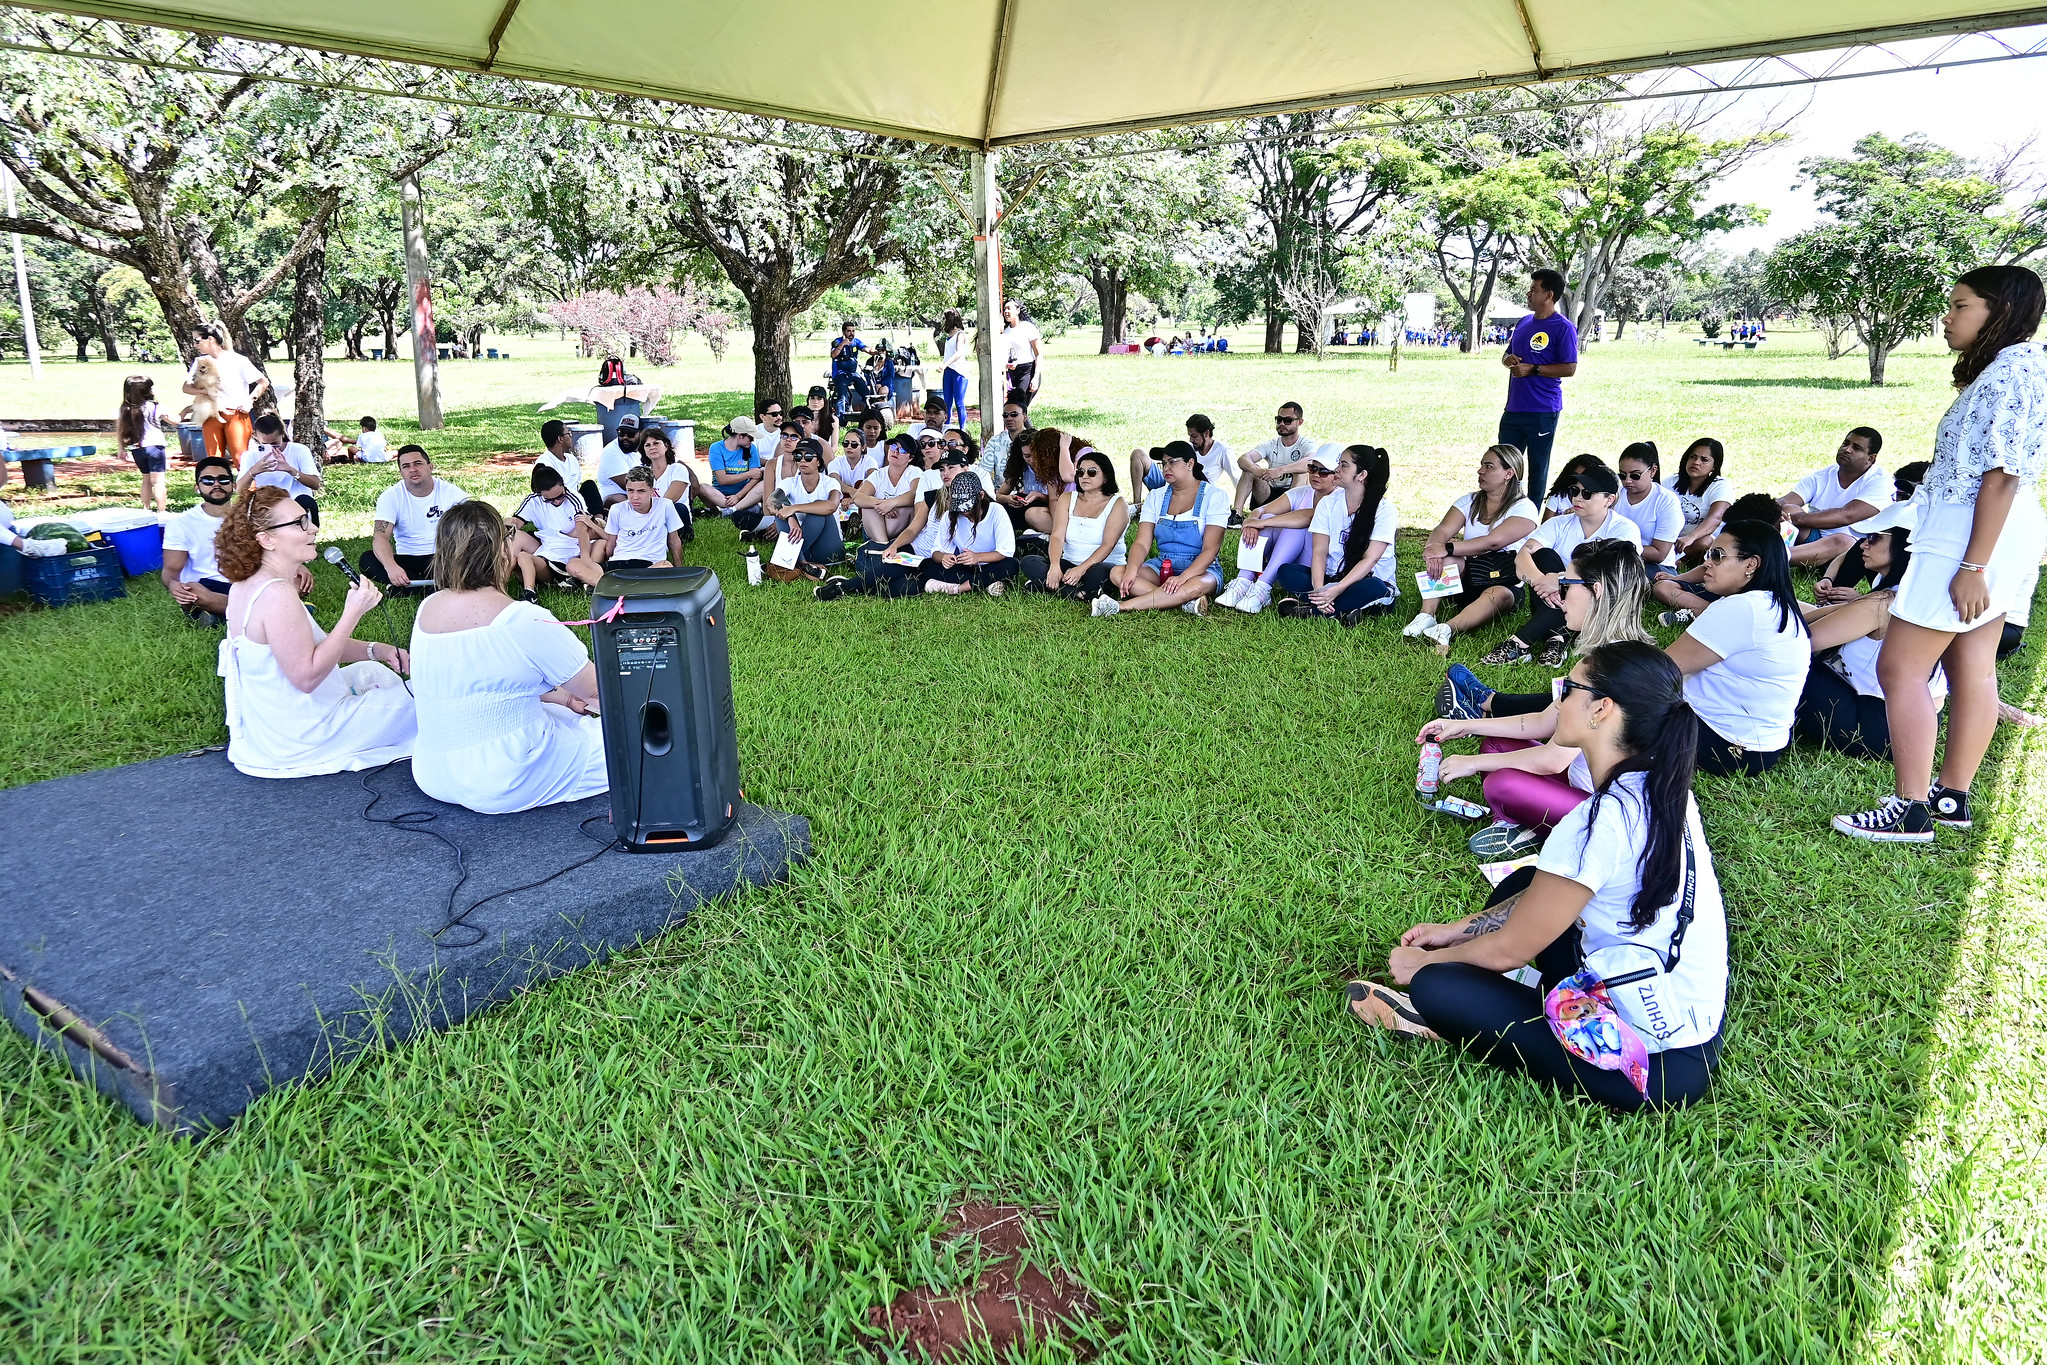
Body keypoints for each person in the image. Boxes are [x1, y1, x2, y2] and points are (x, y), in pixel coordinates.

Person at [1359, 643, 1726, 1115]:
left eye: (1568, 689)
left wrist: (1428, 963)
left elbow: (1507, 949)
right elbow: (1540, 896)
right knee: (1532, 877)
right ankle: (1517, 990)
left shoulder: (1598, 823)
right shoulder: (1663, 787)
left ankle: (1447, 1014)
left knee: (1438, 986)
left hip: (1655, 1066)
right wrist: (1458, 929)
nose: (1557, 701)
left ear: (1601, 710)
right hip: (1678, 1001)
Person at [1837, 265, 2047, 842]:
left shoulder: (2011, 371)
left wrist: (1972, 564)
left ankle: (1909, 807)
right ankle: (1951, 796)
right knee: (1971, 667)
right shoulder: (2020, 368)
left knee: (1899, 666)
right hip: (1994, 530)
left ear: (1999, 310)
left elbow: (2001, 475)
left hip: (1970, 535)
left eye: (1960, 306)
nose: (1947, 318)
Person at [1421, 539, 1653, 859]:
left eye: (1566, 584)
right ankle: (1529, 822)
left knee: (1500, 784)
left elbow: (1551, 761)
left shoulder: (1607, 670)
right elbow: (1545, 720)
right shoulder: (1614, 652)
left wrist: (1472, 764)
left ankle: (1534, 828)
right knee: (1494, 744)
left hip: (1609, 812)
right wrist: (1465, 724)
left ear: (1596, 591)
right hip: (1582, 778)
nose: (1556, 595)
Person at [407, 500, 606, 815]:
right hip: (505, 776)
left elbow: (486, 676)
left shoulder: (426, 609)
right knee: (640, 742)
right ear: (502, 552)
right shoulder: (522, 619)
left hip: (431, 771)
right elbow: (597, 692)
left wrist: (565, 698)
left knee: (568, 715)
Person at [214, 486, 415, 778]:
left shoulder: (249, 584)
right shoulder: (276, 594)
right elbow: (306, 677)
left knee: (374, 672)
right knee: (427, 699)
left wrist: (378, 650)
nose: (314, 528)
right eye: (300, 523)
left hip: (280, 726)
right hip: (304, 735)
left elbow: (307, 646)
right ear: (266, 539)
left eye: (307, 518)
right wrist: (352, 613)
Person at [1665, 520, 1810, 777]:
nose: (1707, 562)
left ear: (1751, 564)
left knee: (1618, 703)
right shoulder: (1774, 604)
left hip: (1724, 744)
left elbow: (1663, 668)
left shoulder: (1743, 608)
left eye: (1718, 556)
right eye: (1709, 554)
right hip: (1758, 748)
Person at [1797, 528, 1942, 760]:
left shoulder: (1881, 603)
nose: (1863, 545)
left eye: (1874, 538)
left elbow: (1800, 644)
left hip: (1874, 725)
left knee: (1786, 664)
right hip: (1918, 725)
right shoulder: (1920, 597)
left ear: (1904, 547)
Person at [1486, 464, 1640, 666]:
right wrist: (1542, 580)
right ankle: (1557, 638)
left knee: (1585, 583)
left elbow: (1612, 578)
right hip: (1556, 598)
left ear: (1609, 500)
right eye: (1574, 491)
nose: (1577, 497)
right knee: (1543, 556)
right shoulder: (1558, 524)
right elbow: (1522, 557)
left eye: (1587, 493)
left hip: (1599, 602)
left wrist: (1560, 580)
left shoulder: (1624, 530)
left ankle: (1522, 642)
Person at [1406, 445, 1541, 653]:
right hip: (1469, 575)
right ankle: (1426, 615)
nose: (1480, 471)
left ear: (1509, 473)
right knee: (1446, 561)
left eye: (1489, 466)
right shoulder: (1469, 500)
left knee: (1498, 594)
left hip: (1505, 580)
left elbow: (1494, 542)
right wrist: (1434, 550)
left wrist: (1447, 548)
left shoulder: (1524, 507)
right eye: (1481, 465)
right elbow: (1442, 529)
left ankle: (1447, 629)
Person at [162, 455, 307, 627]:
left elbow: (270, 549)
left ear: (234, 485)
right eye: (208, 480)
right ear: (197, 487)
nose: (216, 484)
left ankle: (222, 613)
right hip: (209, 587)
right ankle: (274, 611)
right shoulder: (181, 523)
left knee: (299, 581)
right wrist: (173, 585)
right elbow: (171, 569)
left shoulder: (250, 516)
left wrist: (297, 565)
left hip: (250, 582)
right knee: (192, 591)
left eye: (223, 479)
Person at [1093, 441, 1227, 617]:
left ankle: (1120, 606)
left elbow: (1211, 549)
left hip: (1201, 569)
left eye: (1172, 462)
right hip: (1163, 565)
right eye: (1163, 464)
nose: (1166, 468)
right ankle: (1183, 601)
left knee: (1196, 586)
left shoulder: (1215, 496)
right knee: (1118, 572)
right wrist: (1132, 569)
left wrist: (1183, 577)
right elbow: (1141, 542)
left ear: (1190, 464)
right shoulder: (1156, 496)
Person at [1274, 445, 1399, 624]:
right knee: (1287, 572)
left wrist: (1339, 589)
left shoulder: (1384, 510)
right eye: (1338, 464)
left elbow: (1369, 560)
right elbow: (1319, 552)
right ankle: (1344, 609)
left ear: (1361, 475)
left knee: (1374, 588)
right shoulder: (1328, 503)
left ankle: (1310, 610)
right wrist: (1320, 590)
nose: (1337, 469)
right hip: (1331, 578)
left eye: (1344, 465)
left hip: (1366, 580)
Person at [1216, 448, 1338, 614]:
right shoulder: (1302, 493)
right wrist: (1253, 521)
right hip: (1290, 558)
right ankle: (1244, 579)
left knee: (1288, 525)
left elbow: (1309, 516)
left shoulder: (1339, 498)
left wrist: (1262, 522)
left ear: (1337, 475)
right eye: (1313, 469)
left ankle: (1264, 586)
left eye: (1324, 472)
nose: (1316, 474)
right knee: (1267, 518)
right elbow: (1261, 510)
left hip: (1316, 565)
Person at [1497, 269, 1580, 499]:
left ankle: (1531, 520)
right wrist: (1509, 361)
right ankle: (1503, 514)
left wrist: (1533, 369)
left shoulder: (1563, 327)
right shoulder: (1524, 322)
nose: (1528, 293)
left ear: (1548, 295)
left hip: (1542, 410)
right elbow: (1506, 355)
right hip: (1514, 408)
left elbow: (1570, 368)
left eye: (1534, 289)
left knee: (1537, 468)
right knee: (1504, 465)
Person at [1020, 448, 1129, 602]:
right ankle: (1077, 593)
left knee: (1100, 574)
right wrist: (1055, 565)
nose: (1084, 476)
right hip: (1069, 563)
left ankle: (1047, 587)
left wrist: (1080, 570)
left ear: (1106, 476)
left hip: (1101, 565)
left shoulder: (1117, 503)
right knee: (1029, 562)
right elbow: (1057, 536)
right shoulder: (1067, 498)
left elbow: (1108, 545)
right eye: (1080, 472)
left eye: (1091, 472)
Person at [1780, 427, 1889, 567]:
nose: (1847, 449)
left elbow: (1846, 516)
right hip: (1813, 539)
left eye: (1856, 448)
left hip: (1851, 551)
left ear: (1870, 459)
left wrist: (1795, 519)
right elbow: (1785, 501)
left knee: (1842, 540)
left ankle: (1773, 559)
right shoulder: (1822, 476)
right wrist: (1766, 509)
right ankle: (1773, 553)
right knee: (1788, 508)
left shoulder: (1881, 482)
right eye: (1846, 443)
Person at [362, 445, 467, 590]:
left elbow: (475, 522)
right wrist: (391, 567)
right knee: (367, 560)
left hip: (445, 558)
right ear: (401, 472)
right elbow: (380, 537)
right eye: (406, 466)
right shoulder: (391, 496)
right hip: (409, 560)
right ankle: (433, 588)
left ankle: (411, 588)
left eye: (418, 463)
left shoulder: (451, 492)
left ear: (430, 466)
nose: (412, 469)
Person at [510, 465, 606, 594]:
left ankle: (582, 578)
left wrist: (585, 558)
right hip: (548, 543)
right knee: (514, 537)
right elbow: (516, 523)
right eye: (550, 500)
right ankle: (501, 575)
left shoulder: (573, 498)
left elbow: (582, 526)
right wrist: (508, 523)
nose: (557, 502)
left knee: (591, 550)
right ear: (539, 493)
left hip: (572, 547)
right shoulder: (533, 501)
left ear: (563, 484)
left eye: (560, 496)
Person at [922, 469, 1018, 595]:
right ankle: (985, 584)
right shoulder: (949, 516)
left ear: (981, 495)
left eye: (967, 507)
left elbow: (1005, 551)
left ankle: (959, 588)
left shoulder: (996, 511)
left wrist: (978, 557)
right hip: (964, 567)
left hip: (991, 564)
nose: (964, 512)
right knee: (926, 565)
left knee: (1011, 565)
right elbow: (936, 551)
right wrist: (944, 558)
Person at [183, 322, 268, 463]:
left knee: (240, 457)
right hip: (211, 413)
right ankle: (217, 484)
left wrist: (250, 400)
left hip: (236, 413)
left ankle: (250, 486)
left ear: (210, 339)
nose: (195, 345)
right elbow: (186, 387)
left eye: (197, 340)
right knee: (213, 459)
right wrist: (205, 391)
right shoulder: (200, 361)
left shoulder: (238, 360)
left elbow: (263, 382)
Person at [1231, 401, 1322, 518]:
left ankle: (1291, 516)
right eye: (1279, 420)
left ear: (1300, 422)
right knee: (1249, 470)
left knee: (1302, 473)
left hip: (1293, 494)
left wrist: (1282, 470)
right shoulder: (1271, 444)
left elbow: (1310, 462)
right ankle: (1236, 515)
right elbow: (1243, 459)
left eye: (1287, 420)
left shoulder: (1307, 444)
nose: (1282, 423)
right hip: (1268, 493)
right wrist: (1255, 469)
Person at [767, 438, 843, 577]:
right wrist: (790, 517)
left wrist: (795, 508)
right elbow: (771, 500)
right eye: (798, 456)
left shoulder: (830, 483)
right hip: (803, 546)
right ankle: (803, 564)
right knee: (781, 509)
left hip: (828, 547)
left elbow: (831, 505)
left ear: (819, 461)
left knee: (817, 510)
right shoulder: (789, 482)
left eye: (808, 457)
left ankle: (786, 559)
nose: (802, 460)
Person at [233, 413, 324, 525]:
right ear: (256, 436)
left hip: (297, 503)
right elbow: (239, 490)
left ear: (282, 434)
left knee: (305, 503)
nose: (271, 448)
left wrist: (291, 470)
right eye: (265, 444)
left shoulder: (299, 450)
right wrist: (253, 471)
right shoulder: (250, 456)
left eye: (275, 443)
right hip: (269, 506)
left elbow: (315, 484)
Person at [847, 433, 926, 547]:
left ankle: (882, 548)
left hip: (900, 527)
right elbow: (858, 497)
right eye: (893, 447)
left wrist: (891, 503)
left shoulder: (914, 472)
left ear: (911, 458)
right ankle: (883, 546)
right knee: (868, 507)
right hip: (874, 528)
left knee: (906, 507)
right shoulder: (879, 474)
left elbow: (915, 494)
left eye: (902, 450)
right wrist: (879, 504)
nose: (895, 452)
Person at [602, 466, 686, 571]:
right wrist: (607, 563)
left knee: (665, 565)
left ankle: (610, 580)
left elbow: (674, 540)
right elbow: (611, 544)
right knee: (576, 565)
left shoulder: (665, 506)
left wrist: (679, 570)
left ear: (652, 491)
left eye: (641, 491)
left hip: (650, 563)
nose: (635, 496)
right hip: (620, 560)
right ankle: (611, 578)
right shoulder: (617, 509)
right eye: (630, 491)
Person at [1131, 413, 1233, 497]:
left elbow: (1236, 476)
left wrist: (1238, 509)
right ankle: (1137, 504)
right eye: (1189, 436)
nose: (1191, 440)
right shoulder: (1187, 448)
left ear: (1206, 433)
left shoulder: (1222, 450)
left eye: (1194, 436)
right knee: (1138, 454)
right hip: (1169, 482)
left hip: (1194, 491)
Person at [1614, 442, 1683, 566]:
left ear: (1652, 471)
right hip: (1617, 559)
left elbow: (1659, 554)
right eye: (1622, 475)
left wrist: (1616, 547)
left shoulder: (1666, 501)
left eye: (1635, 475)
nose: (1628, 481)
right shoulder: (1615, 495)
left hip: (1655, 567)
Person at [997, 427, 1073, 538]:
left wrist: (1039, 496)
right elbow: (999, 496)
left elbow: (1055, 500)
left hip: (1051, 509)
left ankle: (1061, 534)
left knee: (1033, 514)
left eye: (1036, 455)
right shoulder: (1020, 467)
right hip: (1027, 508)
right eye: (1027, 456)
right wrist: (1009, 499)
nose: (1032, 460)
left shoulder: (1050, 466)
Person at [1666, 438, 1731, 562]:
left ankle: (1680, 559)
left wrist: (1690, 538)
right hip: (1670, 538)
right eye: (1692, 457)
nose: (1696, 462)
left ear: (1715, 465)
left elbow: (1715, 518)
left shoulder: (1721, 486)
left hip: (1698, 539)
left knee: (1705, 542)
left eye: (1704, 460)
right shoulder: (1670, 481)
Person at [637, 427, 704, 538]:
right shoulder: (641, 472)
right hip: (648, 519)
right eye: (647, 445)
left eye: (656, 443)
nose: (652, 447)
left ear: (666, 446)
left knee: (677, 508)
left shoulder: (678, 469)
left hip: (675, 519)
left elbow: (668, 501)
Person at [117, 375, 168, 514]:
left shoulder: (125, 409)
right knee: (158, 481)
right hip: (155, 447)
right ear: (147, 390)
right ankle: (161, 511)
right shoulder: (154, 406)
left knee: (146, 479)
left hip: (137, 449)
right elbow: (175, 420)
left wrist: (121, 448)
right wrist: (186, 410)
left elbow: (120, 429)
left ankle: (146, 509)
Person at [706, 418, 768, 516]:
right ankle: (740, 508)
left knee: (764, 484)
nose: (752, 441)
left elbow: (755, 478)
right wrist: (749, 474)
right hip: (721, 495)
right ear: (740, 436)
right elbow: (722, 479)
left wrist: (738, 496)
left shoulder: (751, 449)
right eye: (751, 438)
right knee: (702, 487)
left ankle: (728, 510)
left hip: (745, 494)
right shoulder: (716, 448)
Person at [593, 414, 644, 506]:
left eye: (630, 434)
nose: (625, 437)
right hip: (617, 500)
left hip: (644, 494)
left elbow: (670, 461)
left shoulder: (647, 446)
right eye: (621, 432)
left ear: (641, 434)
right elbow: (629, 484)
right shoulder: (611, 451)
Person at [978, 395, 1027, 490]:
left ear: (1024, 417)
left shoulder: (1035, 439)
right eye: (1005, 415)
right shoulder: (995, 441)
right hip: (1001, 495)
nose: (1009, 418)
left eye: (1014, 414)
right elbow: (983, 473)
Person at [534, 419, 585, 508]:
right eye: (568, 434)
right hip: (559, 505)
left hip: (576, 501)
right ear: (560, 439)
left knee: (589, 486)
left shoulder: (572, 459)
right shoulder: (544, 464)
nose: (571, 437)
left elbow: (577, 485)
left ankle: (598, 519)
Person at [1001, 298, 1042, 409]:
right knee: (1016, 409)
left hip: (1028, 371)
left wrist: (1035, 377)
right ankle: (1027, 427)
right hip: (1012, 373)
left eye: (1009, 308)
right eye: (1004, 309)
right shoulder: (1005, 332)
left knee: (1018, 407)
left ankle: (1028, 427)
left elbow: (1039, 355)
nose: (1006, 312)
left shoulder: (1028, 328)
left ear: (1018, 310)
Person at [938, 308, 972, 428]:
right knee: (947, 401)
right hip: (948, 372)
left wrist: (944, 364)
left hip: (959, 372)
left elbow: (958, 353)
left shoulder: (960, 334)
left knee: (959, 402)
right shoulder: (949, 335)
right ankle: (946, 425)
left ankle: (962, 428)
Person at [829, 321, 867, 414]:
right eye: (849, 331)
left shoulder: (856, 342)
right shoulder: (837, 341)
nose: (851, 333)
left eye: (853, 331)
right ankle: (840, 419)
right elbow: (833, 355)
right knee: (842, 396)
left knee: (866, 393)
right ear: (843, 332)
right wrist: (843, 344)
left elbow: (866, 349)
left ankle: (867, 415)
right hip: (840, 373)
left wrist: (877, 351)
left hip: (853, 373)